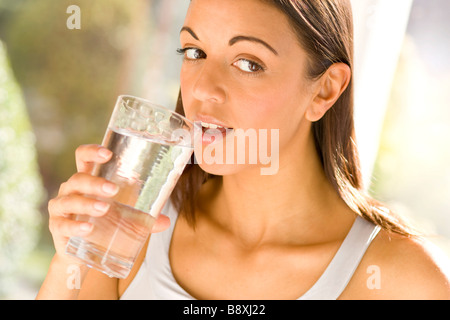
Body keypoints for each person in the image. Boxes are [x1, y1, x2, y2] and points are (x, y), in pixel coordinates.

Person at [37, 0, 449, 300]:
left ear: (325, 90)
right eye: (194, 52)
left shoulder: (403, 283)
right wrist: (71, 257)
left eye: (248, 63)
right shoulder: (128, 232)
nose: (201, 88)